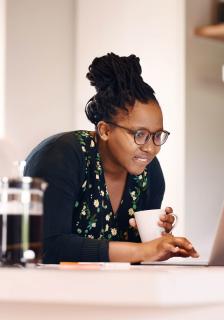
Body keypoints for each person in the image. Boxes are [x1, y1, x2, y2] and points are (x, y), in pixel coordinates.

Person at [25, 52, 198, 264]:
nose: (151, 148)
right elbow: (48, 247)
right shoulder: (60, 157)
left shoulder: (149, 173)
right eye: (139, 135)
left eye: (157, 136)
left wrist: (157, 240)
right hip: (45, 291)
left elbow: (136, 256)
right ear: (105, 130)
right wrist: (143, 251)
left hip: (114, 289)